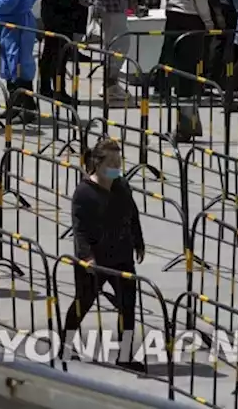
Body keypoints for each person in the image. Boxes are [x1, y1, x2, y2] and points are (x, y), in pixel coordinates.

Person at [61, 137, 145, 370]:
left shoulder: (122, 185)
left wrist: (138, 240)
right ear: (97, 164)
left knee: (127, 306)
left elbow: (132, 213)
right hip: (95, 261)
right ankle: (65, 345)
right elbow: (80, 230)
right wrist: (87, 258)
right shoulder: (84, 193)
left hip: (121, 256)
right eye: (112, 162)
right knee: (83, 303)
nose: (117, 167)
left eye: (119, 162)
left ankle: (125, 355)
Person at [160, 0, 215, 141]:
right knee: (190, 74)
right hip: (191, 18)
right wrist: (208, 22)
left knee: (177, 72)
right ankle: (185, 125)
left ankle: (187, 122)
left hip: (172, 16)